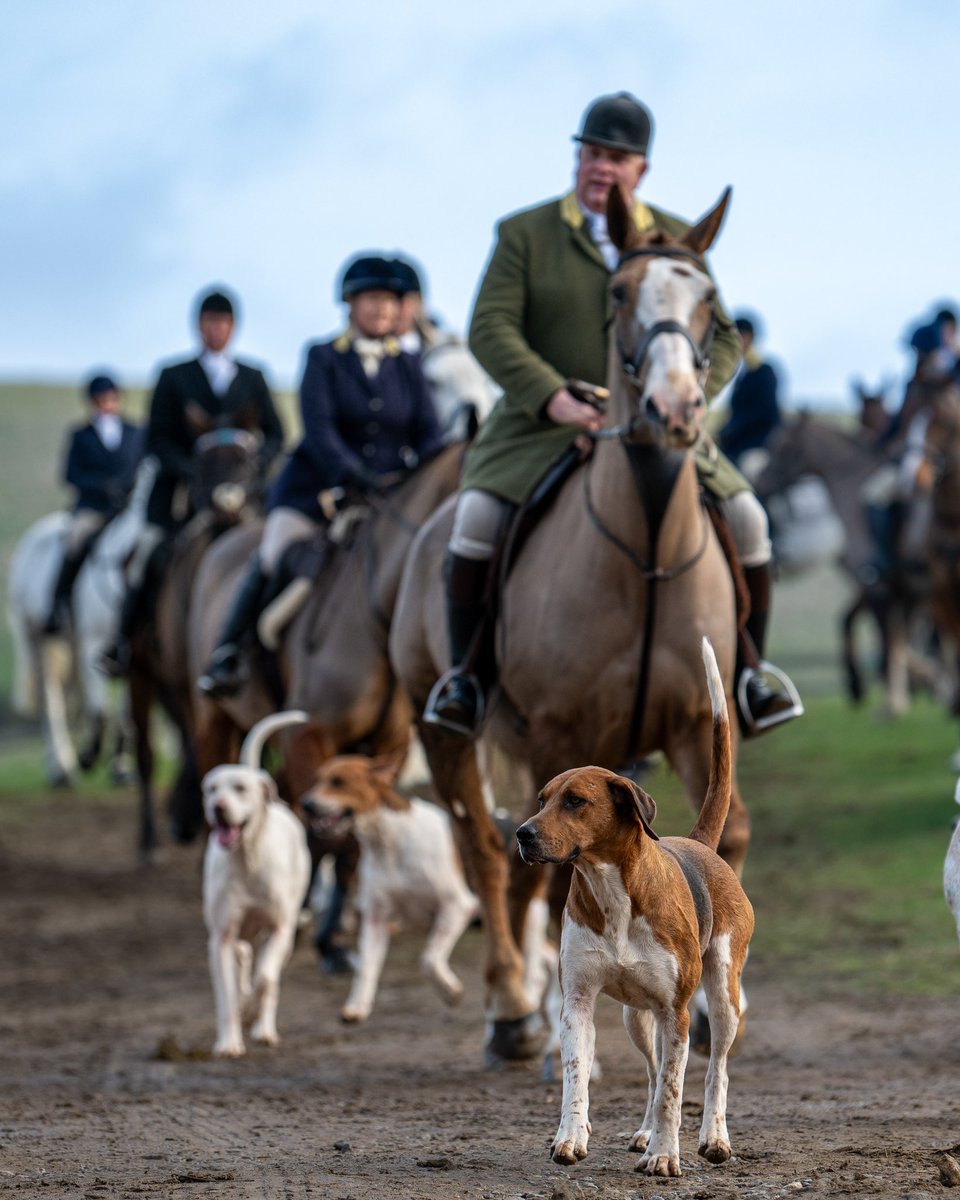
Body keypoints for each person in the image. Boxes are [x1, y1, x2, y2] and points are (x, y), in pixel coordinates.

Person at [424, 91, 800, 738]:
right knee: (477, 518)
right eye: (593, 154)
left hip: (660, 424)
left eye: (618, 159)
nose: (603, 168)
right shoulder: (525, 234)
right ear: (577, 158)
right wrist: (551, 395)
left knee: (749, 517)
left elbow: (726, 339)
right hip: (543, 425)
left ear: (641, 171)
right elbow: (489, 329)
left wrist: (683, 394)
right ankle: (470, 677)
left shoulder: (681, 238)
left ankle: (750, 678)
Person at [197, 254, 444, 698]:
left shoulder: (408, 364)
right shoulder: (323, 357)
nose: (383, 310)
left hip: (387, 498)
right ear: (349, 304)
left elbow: (429, 432)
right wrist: (354, 474)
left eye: (390, 301)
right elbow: (320, 428)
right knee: (273, 555)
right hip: (315, 493)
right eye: (372, 300)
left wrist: (418, 476)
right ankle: (230, 654)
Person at [100, 288, 284, 677]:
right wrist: (190, 469)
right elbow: (157, 440)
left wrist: (254, 467)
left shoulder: (253, 377)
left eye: (222, 322)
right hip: (182, 498)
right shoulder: (173, 376)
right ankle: (122, 643)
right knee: (146, 555)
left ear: (233, 327)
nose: (215, 329)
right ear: (198, 326)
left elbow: (276, 434)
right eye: (208, 322)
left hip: (243, 495)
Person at [43, 374, 144, 635]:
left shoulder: (136, 432)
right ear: (92, 402)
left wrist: (126, 488)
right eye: (101, 399)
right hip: (93, 508)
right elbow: (70, 474)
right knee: (75, 541)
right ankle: (59, 604)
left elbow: (142, 467)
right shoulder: (81, 435)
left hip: (128, 507)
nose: (107, 403)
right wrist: (100, 486)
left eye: (111, 398)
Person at [716, 315, 783, 467]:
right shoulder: (742, 374)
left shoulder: (764, 372)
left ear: (748, 338)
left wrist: (733, 428)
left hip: (760, 444)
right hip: (737, 445)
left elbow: (766, 409)